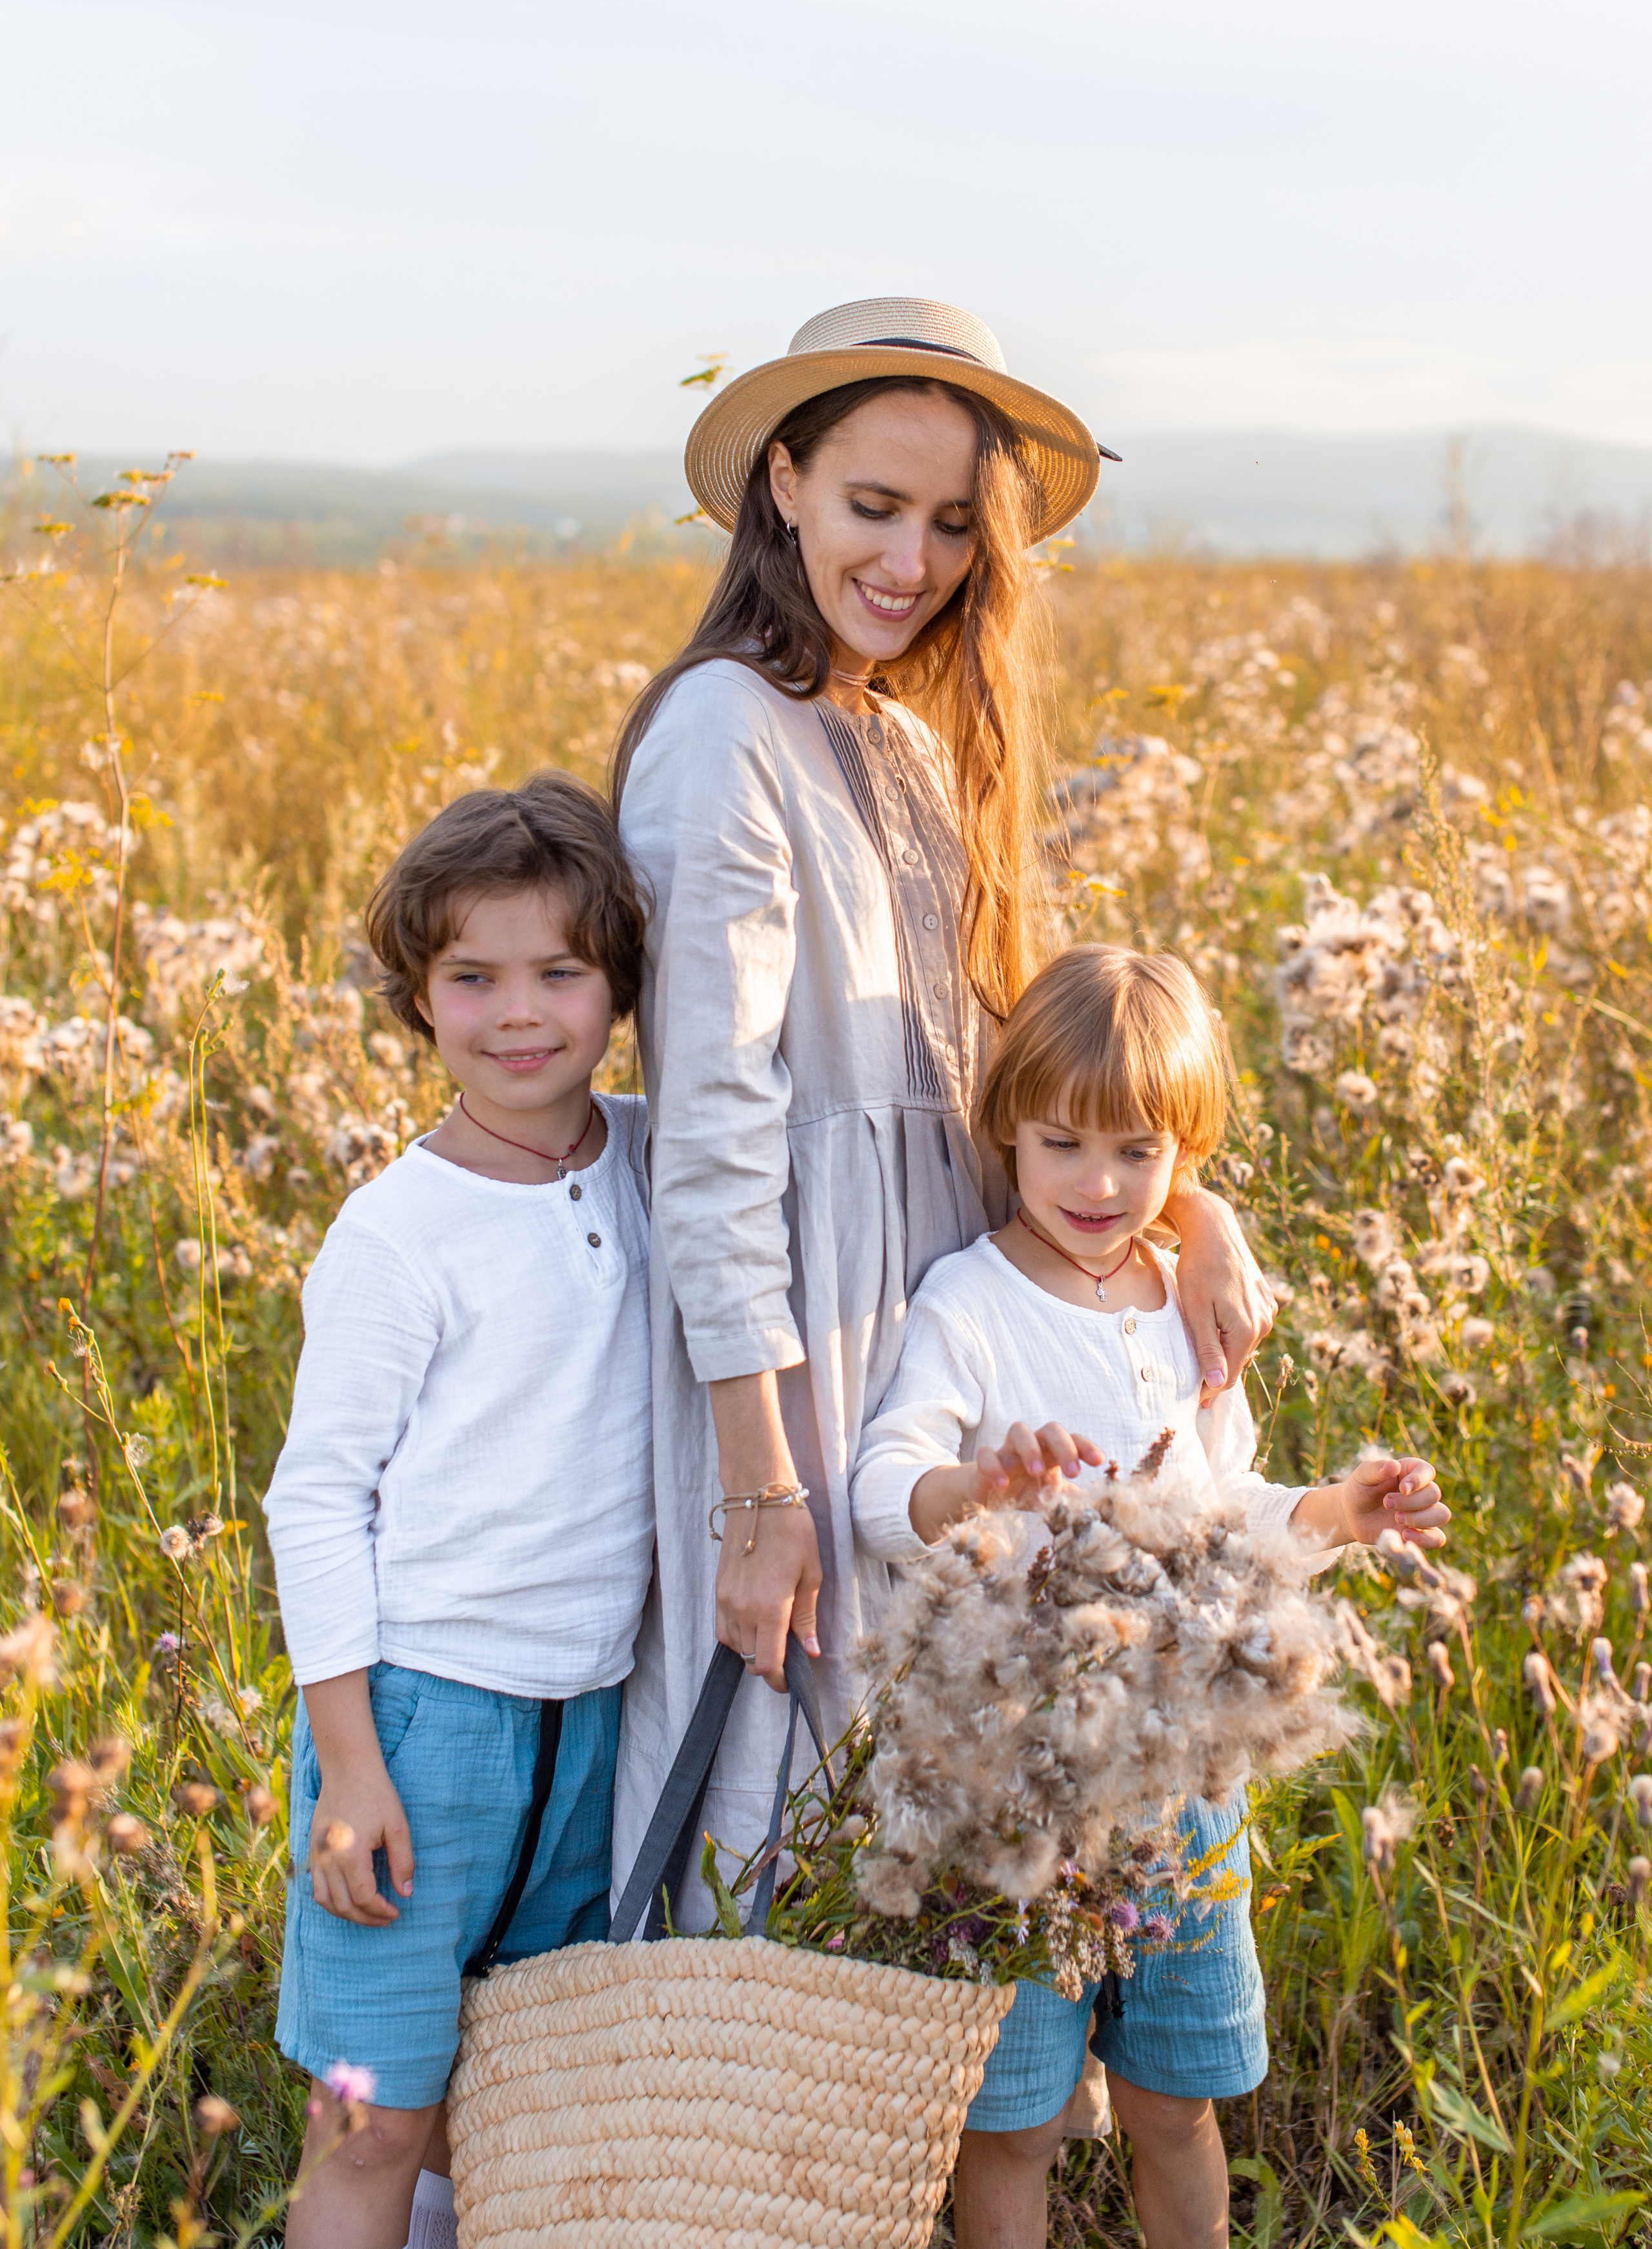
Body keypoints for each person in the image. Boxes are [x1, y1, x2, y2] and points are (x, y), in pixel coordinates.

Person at [609, 295, 1278, 1912]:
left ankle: (915, 2143)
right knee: (780, 1773)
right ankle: (701, 2146)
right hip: (798, 1344)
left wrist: (1191, 1213)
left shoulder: (903, 734)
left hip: (940, 1306)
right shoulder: (725, 735)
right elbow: (710, 1147)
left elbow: (1032, 1083)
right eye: (870, 506)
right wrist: (762, 1497)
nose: (910, 561)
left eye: (950, 525)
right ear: (781, 484)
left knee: (933, 1782)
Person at [851, 942, 1452, 2249]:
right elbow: (877, 1484)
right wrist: (978, 1487)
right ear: (1005, 1122)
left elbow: (1219, 1506)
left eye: (1137, 1152)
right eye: (1063, 1142)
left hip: (1179, 1775)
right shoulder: (966, 1301)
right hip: (1009, 1778)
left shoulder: (1182, 1310)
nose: (1099, 1183)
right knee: (1004, 2121)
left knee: (1175, 2102)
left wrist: (1335, 1513)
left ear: (1184, 1154)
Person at [263, 773, 653, 2249]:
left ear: (617, 981)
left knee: (509, 2099)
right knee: (370, 2114)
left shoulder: (644, 1156)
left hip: (594, 1714)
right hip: (419, 1723)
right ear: (418, 997)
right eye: (472, 978)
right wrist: (351, 1770)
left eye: (561, 971)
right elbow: (316, 1501)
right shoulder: (396, 1232)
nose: (520, 1015)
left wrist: (1187, 1221)